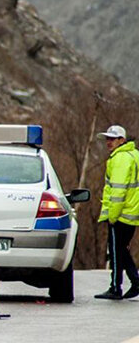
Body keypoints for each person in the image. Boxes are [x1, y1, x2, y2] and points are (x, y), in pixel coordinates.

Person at [94, 125, 139, 300]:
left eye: (112, 139)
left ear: (122, 140)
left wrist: (112, 216)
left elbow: (118, 191)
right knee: (121, 250)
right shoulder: (134, 155)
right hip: (132, 213)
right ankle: (134, 282)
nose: (108, 142)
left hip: (120, 214)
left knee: (115, 251)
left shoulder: (120, 159)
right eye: (107, 139)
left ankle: (115, 287)